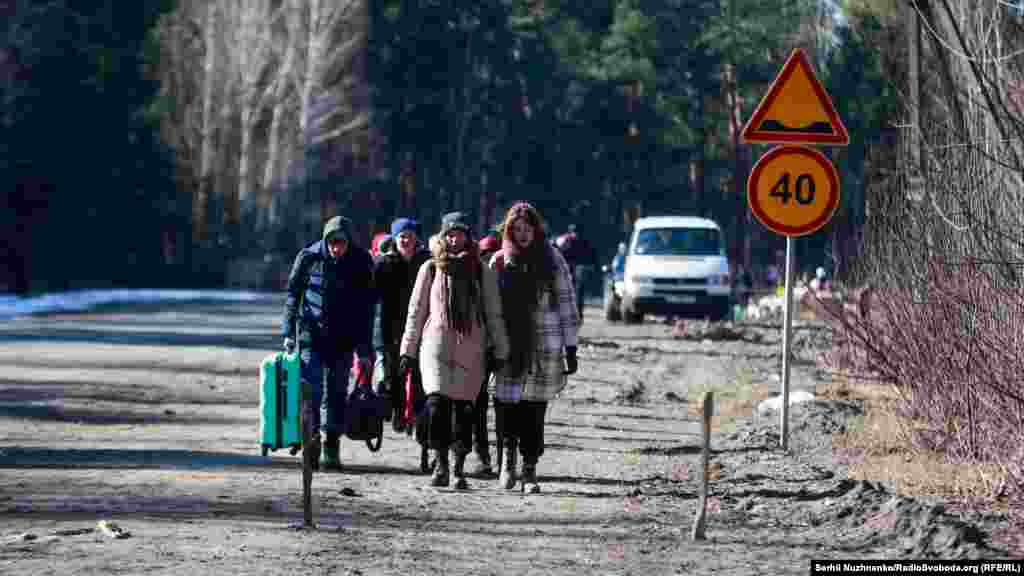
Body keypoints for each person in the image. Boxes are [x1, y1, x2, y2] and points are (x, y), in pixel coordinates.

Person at [400, 212, 510, 489]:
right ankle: (441, 464)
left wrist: (500, 350)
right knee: (437, 405)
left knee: (464, 411)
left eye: (459, 234)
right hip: (435, 346)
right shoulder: (431, 268)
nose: (454, 239)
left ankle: (459, 467)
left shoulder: (480, 270)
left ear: (467, 236)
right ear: (443, 236)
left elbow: (493, 313)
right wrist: (407, 351)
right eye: (449, 234)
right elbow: (416, 311)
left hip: (471, 349)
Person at [490, 202, 579, 493]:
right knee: (506, 410)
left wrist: (571, 348)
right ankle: (507, 461)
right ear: (509, 231)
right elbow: (489, 309)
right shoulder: (500, 262)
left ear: (536, 229)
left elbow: (566, 304)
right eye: (516, 229)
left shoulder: (552, 260)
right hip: (509, 348)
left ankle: (529, 470)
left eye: (527, 229)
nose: (522, 234)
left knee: (534, 414)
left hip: (544, 348)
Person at [282, 215, 375, 472]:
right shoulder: (309, 258)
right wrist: (288, 331)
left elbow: (366, 310)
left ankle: (331, 446)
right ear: (325, 241)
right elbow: (293, 295)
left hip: (343, 340)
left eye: (341, 243)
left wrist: (364, 349)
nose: (337, 248)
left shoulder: (361, 262)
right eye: (332, 242)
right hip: (311, 336)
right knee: (311, 391)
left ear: (349, 242)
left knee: (336, 393)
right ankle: (311, 442)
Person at [469, 232, 503, 477]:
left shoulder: (512, 275)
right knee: (478, 405)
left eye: (494, 254)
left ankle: (504, 457)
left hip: (505, 348)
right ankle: (483, 455)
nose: (490, 259)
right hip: (479, 348)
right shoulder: (474, 276)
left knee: (505, 406)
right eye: (485, 254)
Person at [554, 223, 597, 323]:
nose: (575, 235)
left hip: (575, 272)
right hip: (569, 271)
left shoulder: (577, 241)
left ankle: (576, 317)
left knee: (577, 295)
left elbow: (591, 256)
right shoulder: (566, 240)